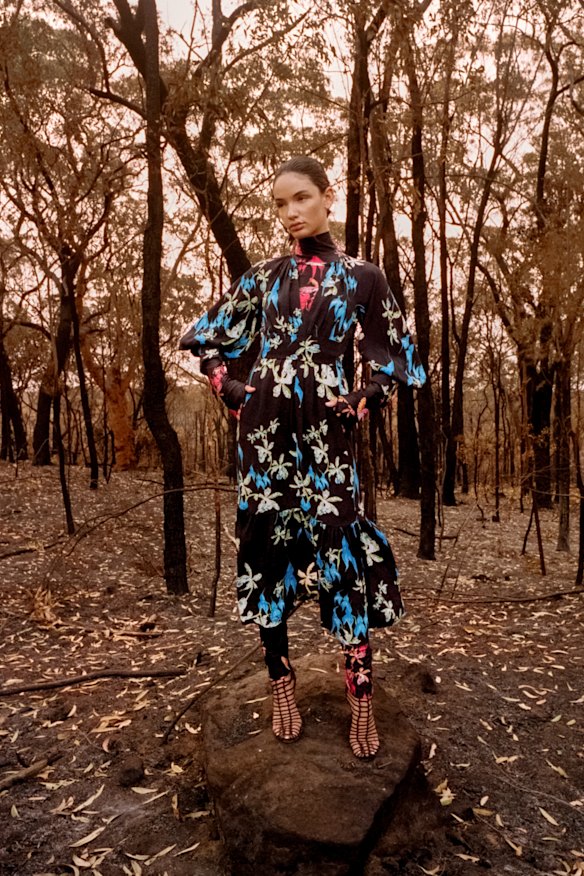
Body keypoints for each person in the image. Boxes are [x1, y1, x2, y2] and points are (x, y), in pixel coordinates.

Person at [180, 156, 426, 758]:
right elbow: (203, 339)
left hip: (328, 439)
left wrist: (363, 399)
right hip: (264, 441)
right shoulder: (262, 278)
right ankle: (281, 684)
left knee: (342, 551)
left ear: (326, 196)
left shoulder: (364, 277)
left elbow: (398, 359)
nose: (290, 213)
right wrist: (232, 392)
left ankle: (360, 697)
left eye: (300, 199)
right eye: (279, 205)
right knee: (267, 548)